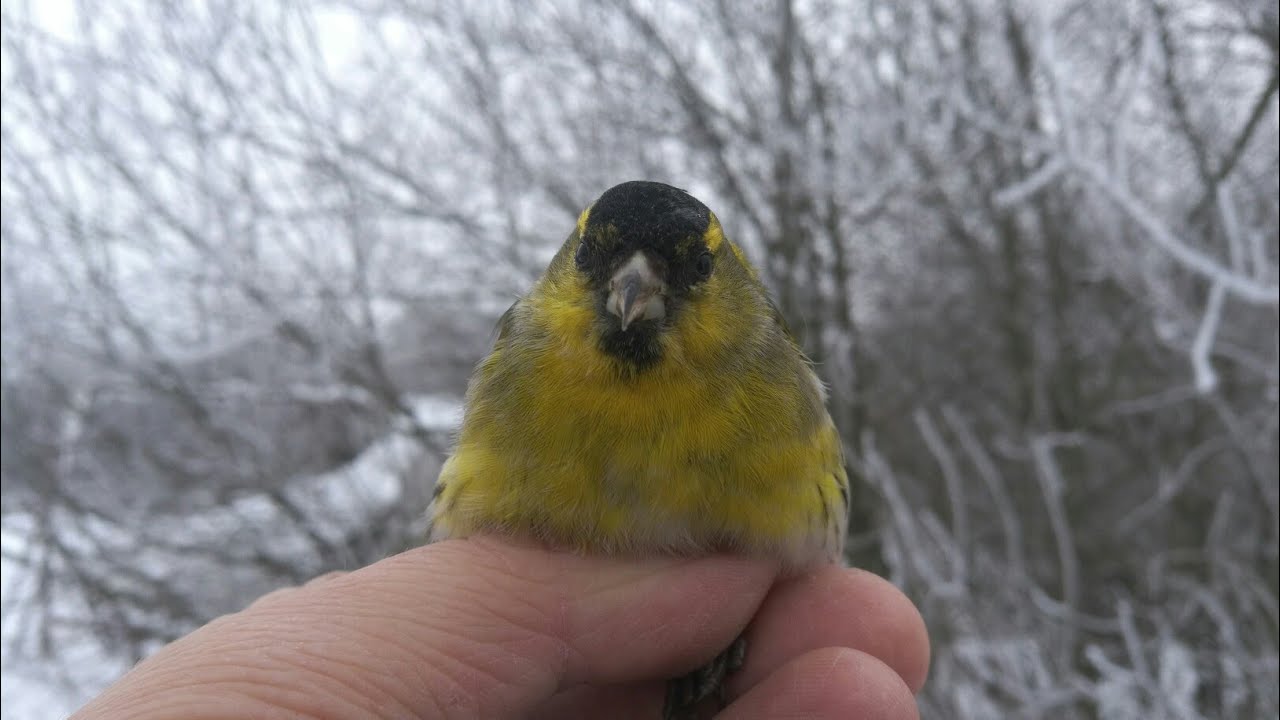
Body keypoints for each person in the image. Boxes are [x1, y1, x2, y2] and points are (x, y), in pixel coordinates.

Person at [71, 538, 929, 719]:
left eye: (684, 271)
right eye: (604, 263)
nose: (635, 290)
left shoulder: (769, 374)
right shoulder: (530, 357)